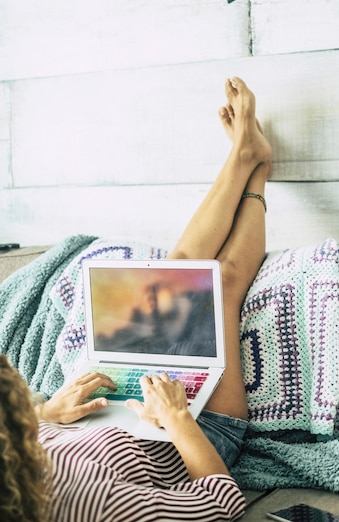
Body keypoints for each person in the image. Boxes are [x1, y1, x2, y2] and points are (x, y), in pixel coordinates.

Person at [0, 76, 272, 522]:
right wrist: (178, 418)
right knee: (220, 283)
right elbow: (223, 503)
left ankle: (244, 156)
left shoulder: (18, 451)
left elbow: (33, 427)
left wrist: (48, 414)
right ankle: (258, 167)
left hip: (107, 416)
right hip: (194, 433)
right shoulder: (92, 507)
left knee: (177, 268)